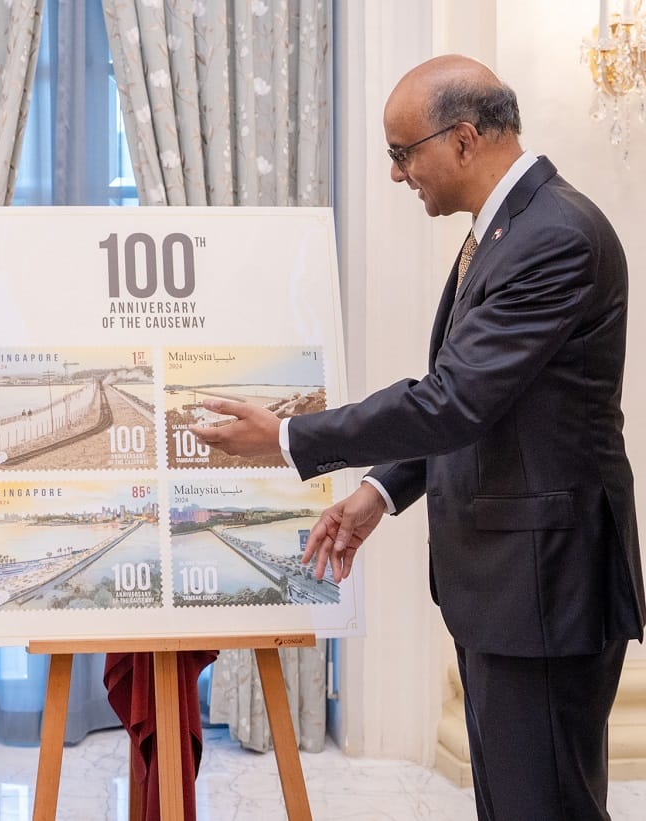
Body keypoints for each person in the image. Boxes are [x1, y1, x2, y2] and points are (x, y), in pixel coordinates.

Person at [192, 55, 645, 821]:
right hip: (512, 584)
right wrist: (379, 489)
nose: (397, 174)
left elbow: (453, 399)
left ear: (464, 138)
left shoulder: (554, 235)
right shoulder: (507, 230)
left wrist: (292, 435)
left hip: (545, 583)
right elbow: (483, 402)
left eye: (403, 152)